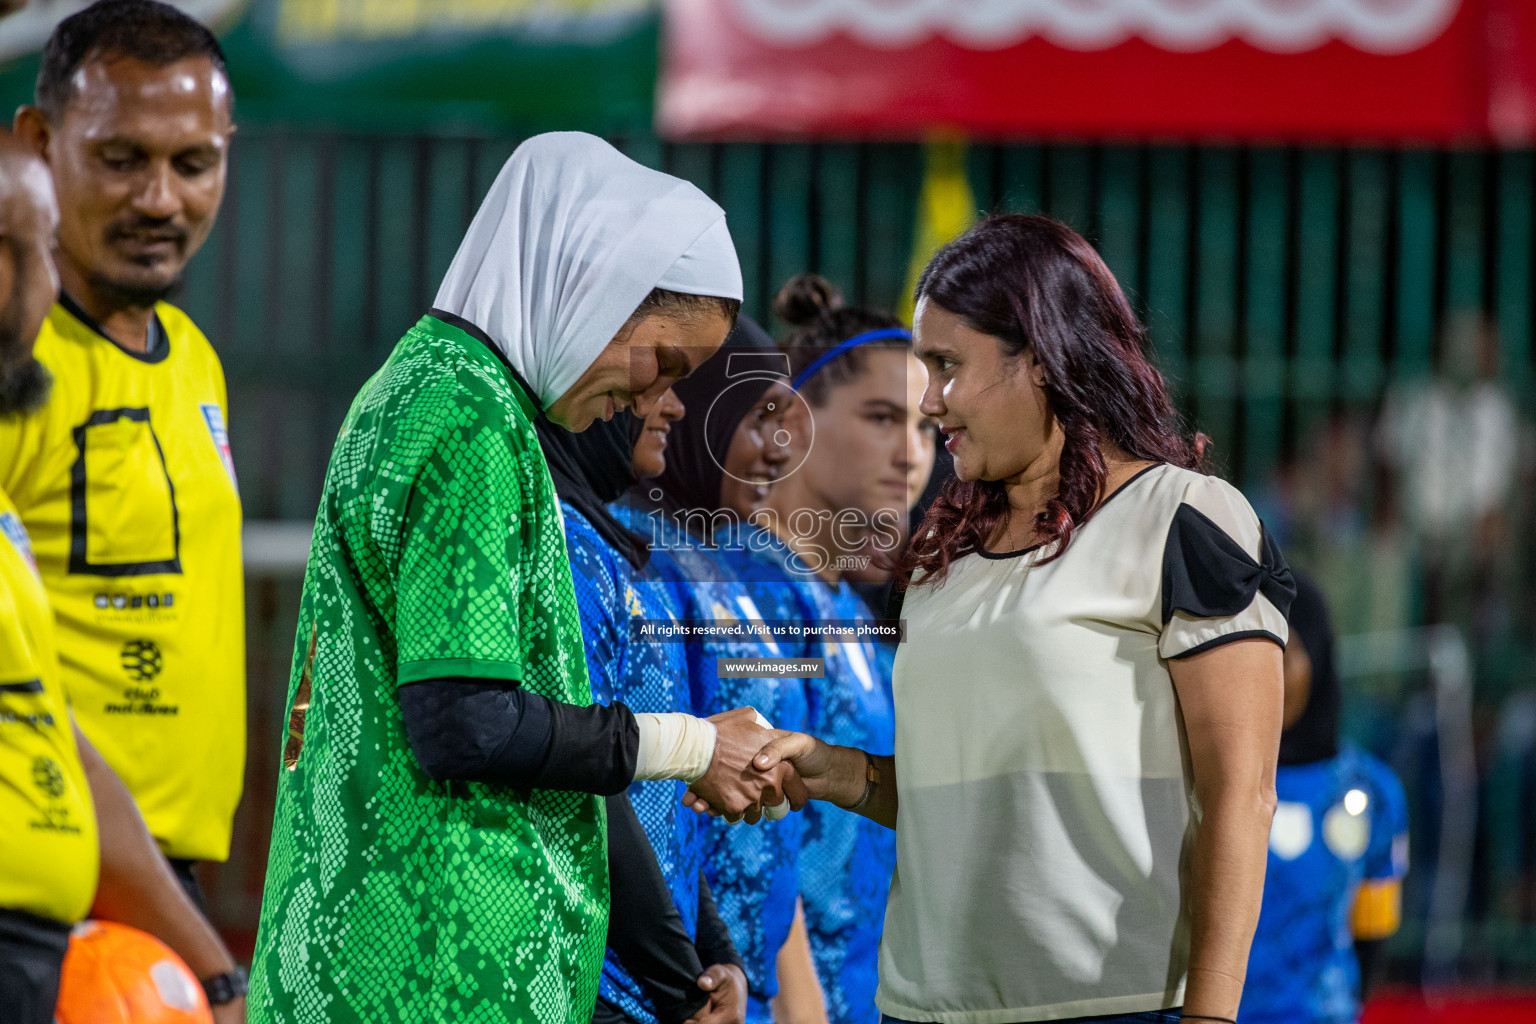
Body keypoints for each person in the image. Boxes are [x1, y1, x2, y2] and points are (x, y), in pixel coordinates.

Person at [248, 132, 793, 1024]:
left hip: (398, 953)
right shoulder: (473, 422)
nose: (660, 399)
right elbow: (464, 719)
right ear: (597, 288)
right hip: (430, 968)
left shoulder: (432, 390)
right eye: (664, 362)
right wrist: (696, 745)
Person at [742, 215, 1294, 1024]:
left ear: (1039, 358)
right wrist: (845, 773)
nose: (930, 403)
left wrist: (1209, 1018)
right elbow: (977, 798)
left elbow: (1242, 794)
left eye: (947, 367)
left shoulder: (1181, 517)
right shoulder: (942, 557)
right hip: (918, 1009)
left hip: (1119, 1007)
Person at [0, 0, 243, 907]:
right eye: (121, 159)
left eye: (193, 164)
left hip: (163, 884)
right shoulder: (14, 366)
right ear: (37, 139)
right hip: (48, 878)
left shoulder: (193, 357)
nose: (160, 199)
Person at [615, 317, 821, 1024]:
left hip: (728, 976)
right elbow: (635, 796)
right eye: (759, 416)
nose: (779, 450)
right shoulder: (638, 556)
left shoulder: (721, 563)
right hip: (661, 984)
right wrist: (691, 971)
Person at [740, 274, 934, 1024]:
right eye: (883, 417)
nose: (911, 454)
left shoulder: (845, 611)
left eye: (925, 429)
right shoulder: (749, 590)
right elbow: (751, 820)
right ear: (792, 422)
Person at [535, 397, 750, 1024]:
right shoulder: (567, 551)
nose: (675, 405)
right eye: (660, 374)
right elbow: (593, 783)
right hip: (600, 985)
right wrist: (683, 984)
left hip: (661, 985)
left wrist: (718, 958)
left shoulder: (616, 553)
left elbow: (667, 809)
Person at [1239, 572, 1408, 1024]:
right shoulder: (1206, 776)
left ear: (1318, 656)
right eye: (1254, 651)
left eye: (1286, 652)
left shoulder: (1373, 792)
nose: (1267, 672)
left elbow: (1372, 934)